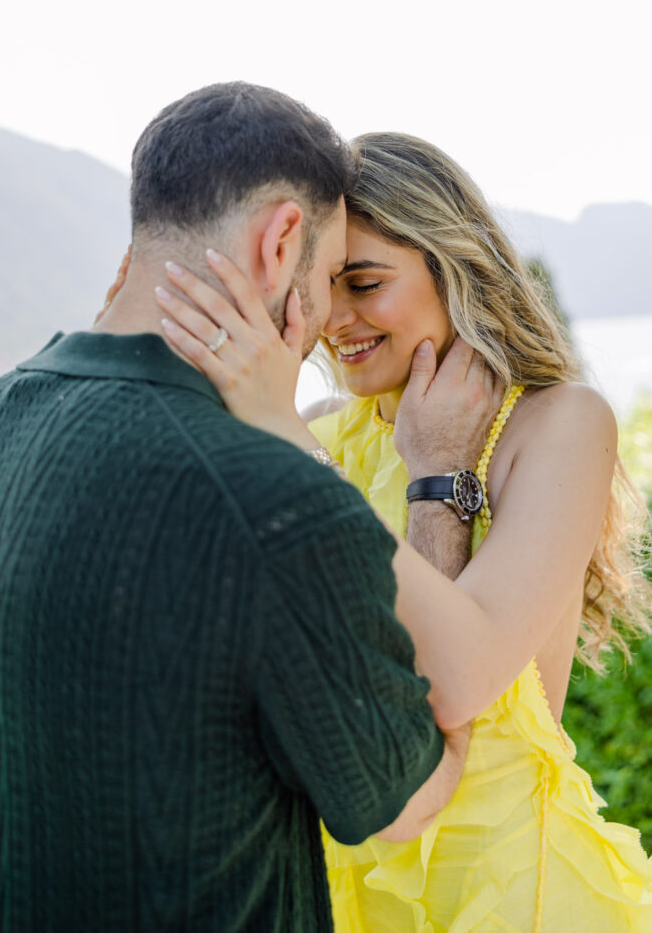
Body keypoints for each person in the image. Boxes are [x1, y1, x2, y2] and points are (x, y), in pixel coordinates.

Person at [0, 86, 507, 932]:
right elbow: (402, 795)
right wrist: (435, 485)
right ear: (281, 240)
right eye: (332, 276)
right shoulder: (274, 501)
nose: (328, 315)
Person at [159, 132, 652, 931]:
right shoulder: (318, 430)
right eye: (322, 286)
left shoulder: (556, 425)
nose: (335, 320)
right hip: (336, 890)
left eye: (364, 282)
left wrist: (427, 473)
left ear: (450, 264)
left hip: (510, 894)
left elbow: (455, 681)